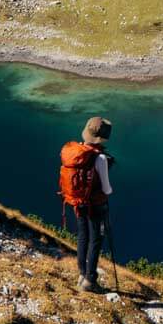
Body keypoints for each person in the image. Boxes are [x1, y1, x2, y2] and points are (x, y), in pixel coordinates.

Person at [58, 116, 114, 291]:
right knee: (96, 239)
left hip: (78, 202)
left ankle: (82, 273)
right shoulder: (100, 158)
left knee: (83, 236)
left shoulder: (75, 153)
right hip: (96, 205)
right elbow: (106, 189)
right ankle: (90, 281)